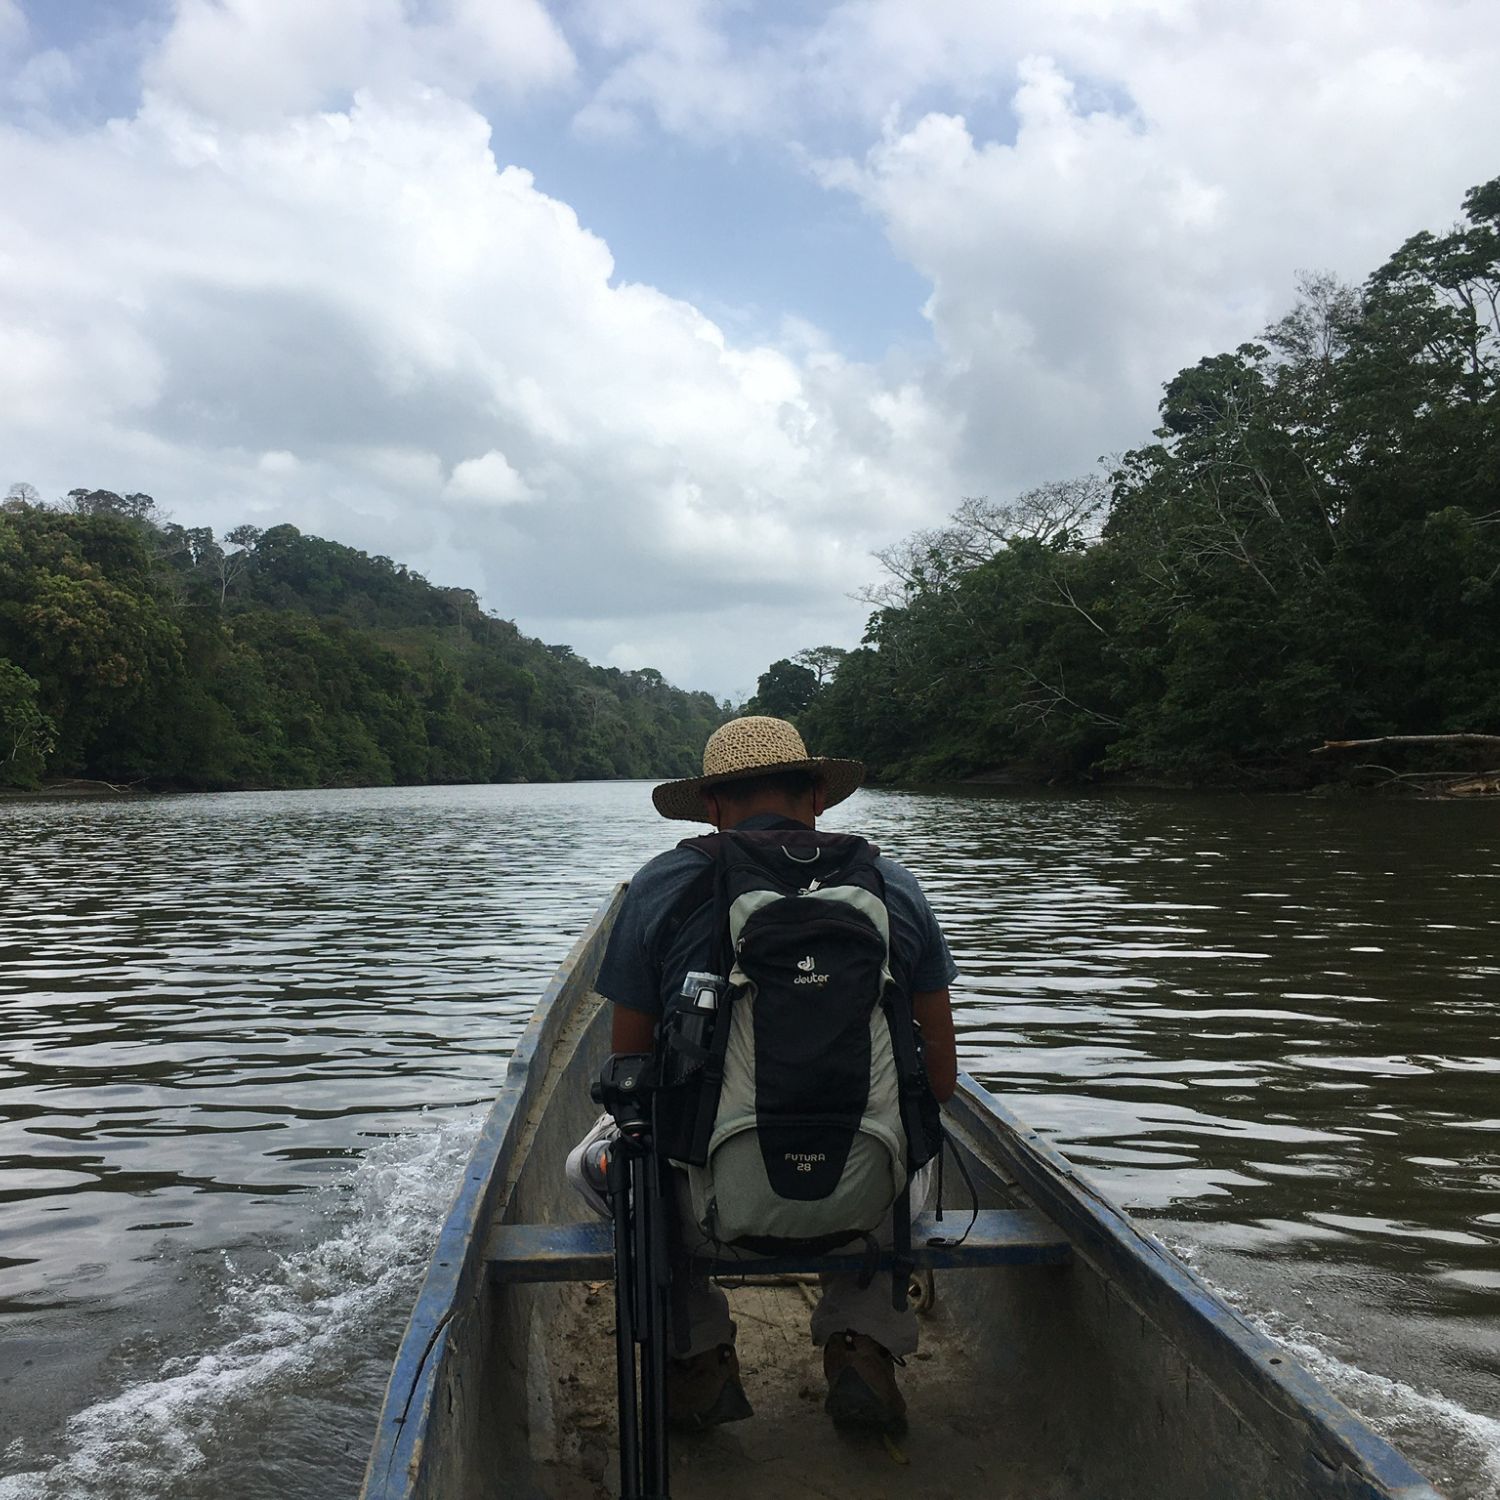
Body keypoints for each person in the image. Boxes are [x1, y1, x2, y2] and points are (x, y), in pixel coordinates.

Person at [593, 715, 959, 1434]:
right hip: (863, 1205)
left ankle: (697, 1350)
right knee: (920, 1130)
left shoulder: (665, 884)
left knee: (608, 1154)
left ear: (712, 807)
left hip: (710, 1214)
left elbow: (626, 1070)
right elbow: (941, 1078)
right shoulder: (893, 886)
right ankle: (863, 1339)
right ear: (817, 793)